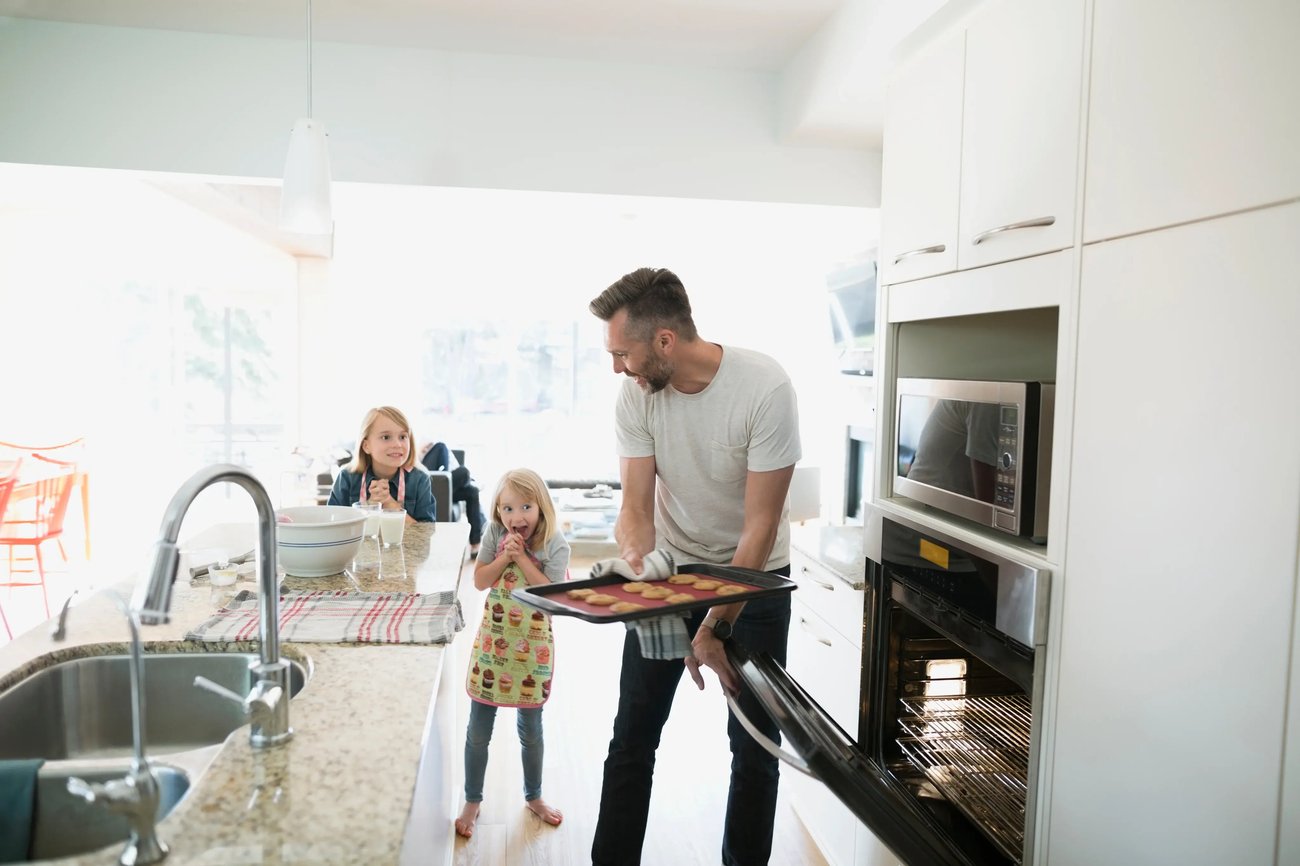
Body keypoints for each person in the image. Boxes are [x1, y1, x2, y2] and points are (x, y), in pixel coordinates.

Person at [587, 267, 801, 866]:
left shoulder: (764, 388)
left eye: (622, 353)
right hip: (674, 572)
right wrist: (642, 568)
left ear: (664, 341)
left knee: (755, 746)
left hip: (755, 580)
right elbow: (635, 508)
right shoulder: (637, 394)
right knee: (632, 737)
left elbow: (759, 526)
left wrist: (714, 626)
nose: (617, 368)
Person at [455, 467, 571, 839]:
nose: (515, 516)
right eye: (507, 508)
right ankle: (472, 799)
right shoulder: (494, 533)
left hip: (532, 651)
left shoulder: (554, 543)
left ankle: (534, 796)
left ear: (541, 507)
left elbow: (553, 599)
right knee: (477, 732)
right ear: (497, 511)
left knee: (531, 731)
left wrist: (521, 559)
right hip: (494, 644)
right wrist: (504, 556)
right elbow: (480, 581)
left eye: (525, 507)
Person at [327, 406, 436, 522]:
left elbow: (426, 530)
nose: (398, 444)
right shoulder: (346, 478)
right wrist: (370, 506)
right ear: (366, 446)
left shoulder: (420, 479)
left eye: (402, 437)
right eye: (386, 437)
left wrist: (389, 503)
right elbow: (332, 523)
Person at [419, 441, 486, 553]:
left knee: (472, 492)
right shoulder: (429, 450)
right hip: (434, 485)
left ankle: (475, 544)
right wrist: (422, 450)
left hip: (445, 488)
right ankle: (470, 482)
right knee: (463, 471)